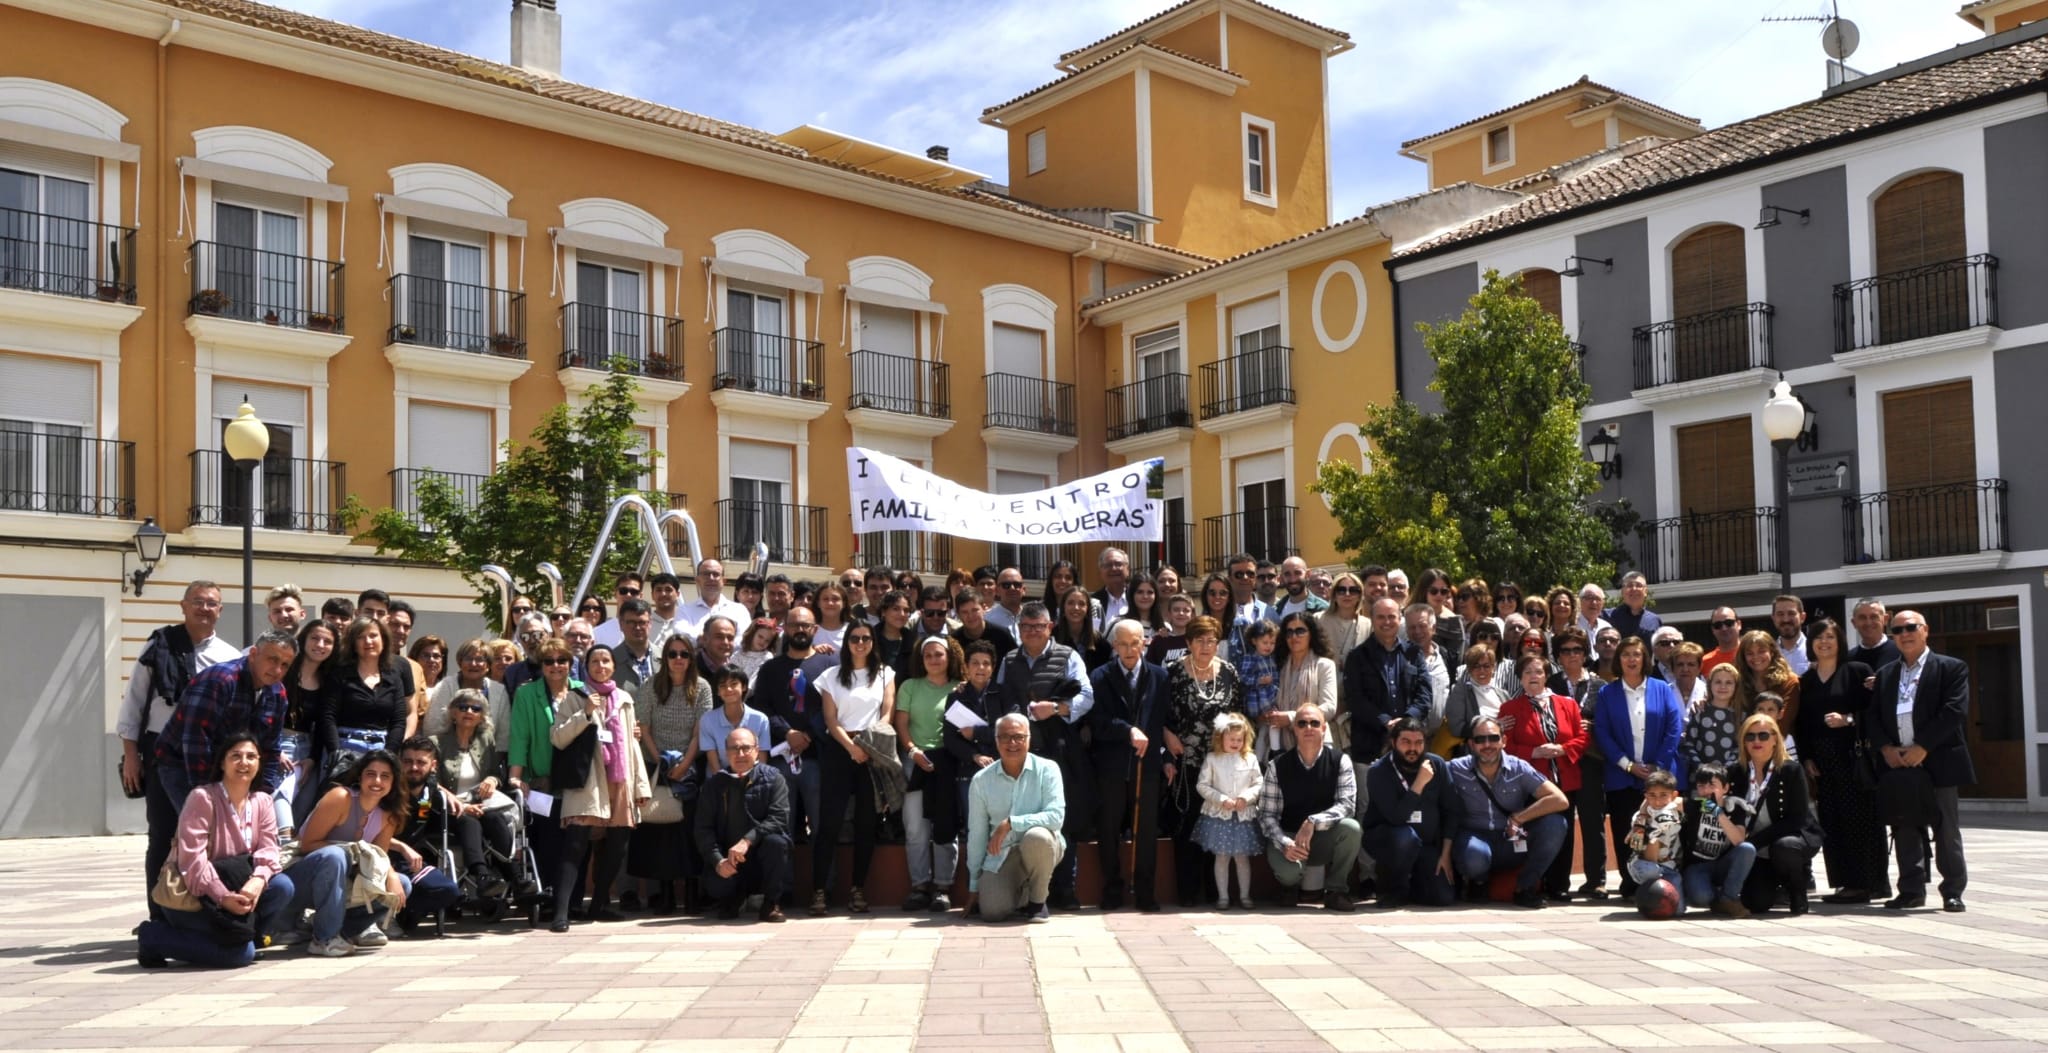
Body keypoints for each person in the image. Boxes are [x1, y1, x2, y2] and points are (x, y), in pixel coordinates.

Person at [122, 580, 241, 913]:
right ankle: (157, 913)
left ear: (220, 610)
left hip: (209, 753)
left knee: (208, 836)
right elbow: (134, 701)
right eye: (198, 602)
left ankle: (201, 912)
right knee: (161, 834)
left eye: (212, 603)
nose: (205, 608)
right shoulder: (159, 646)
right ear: (183, 606)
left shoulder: (229, 657)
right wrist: (132, 755)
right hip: (161, 748)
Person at [137, 733, 296, 969]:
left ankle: (242, 937)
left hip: (239, 890)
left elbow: (269, 849)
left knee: (283, 887)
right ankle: (154, 937)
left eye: (251, 756)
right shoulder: (202, 798)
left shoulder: (262, 800)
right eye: (236, 756)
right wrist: (222, 897)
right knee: (240, 955)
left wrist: (258, 881)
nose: (244, 762)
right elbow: (193, 863)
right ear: (222, 763)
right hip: (194, 897)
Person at [151, 631, 298, 843]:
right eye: (272, 659)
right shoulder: (220, 680)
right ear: (254, 654)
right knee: (204, 834)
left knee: (235, 838)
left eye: (285, 665)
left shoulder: (278, 693)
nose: (277, 670)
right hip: (182, 765)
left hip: (231, 769)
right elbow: (195, 741)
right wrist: (208, 796)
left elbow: (271, 748)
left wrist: (261, 795)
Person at [1870, 609, 1972, 913]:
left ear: (1925, 630)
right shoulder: (1887, 673)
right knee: (1904, 827)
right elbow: (1872, 716)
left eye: (1911, 627)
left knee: (1946, 829)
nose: (1904, 634)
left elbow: (1954, 711)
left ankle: (1952, 890)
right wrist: (1885, 748)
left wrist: (1924, 746)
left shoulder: (1951, 668)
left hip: (1938, 760)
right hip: (1899, 762)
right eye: (1898, 630)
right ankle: (1911, 890)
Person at [995, 600, 1095, 910]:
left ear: (1050, 627)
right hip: (1018, 754)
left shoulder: (1068, 656)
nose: (1032, 632)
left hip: (1059, 752)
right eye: (1026, 627)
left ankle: (1065, 889)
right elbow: (998, 698)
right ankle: (1029, 893)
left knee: (1060, 820)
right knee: (1022, 821)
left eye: (1039, 627)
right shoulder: (1008, 660)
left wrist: (1056, 709)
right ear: (1019, 629)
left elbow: (1087, 697)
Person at [549, 643, 654, 932]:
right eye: (595, 661)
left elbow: (632, 744)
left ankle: (599, 905)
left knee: (617, 846)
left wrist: (641, 786)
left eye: (606, 661)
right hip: (588, 780)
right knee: (575, 845)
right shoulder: (575, 696)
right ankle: (562, 911)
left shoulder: (624, 698)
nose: (601, 666)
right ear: (586, 667)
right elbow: (557, 737)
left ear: (612, 666)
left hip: (620, 779)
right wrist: (584, 713)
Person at [1798, 618, 1888, 905]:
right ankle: (1845, 882)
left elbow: (1875, 712)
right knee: (1832, 822)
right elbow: (1802, 725)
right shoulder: (1807, 680)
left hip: (1854, 757)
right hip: (1823, 762)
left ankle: (1869, 883)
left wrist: (1848, 720)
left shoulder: (1856, 671)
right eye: (1818, 638)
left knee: (1862, 821)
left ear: (1840, 641)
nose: (1824, 642)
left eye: (1830, 637)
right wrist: (1807, 757)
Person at [812, 621, 899, 916]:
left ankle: (858, 889)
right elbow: (830, 718)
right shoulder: (831, 675)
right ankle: (819, 891)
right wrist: (851, 747)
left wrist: (867, 744)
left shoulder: (886, 673)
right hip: (840, 750)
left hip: (872, 749)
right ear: (846, 643)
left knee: (866, 823)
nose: (860, 643)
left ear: (873, 642)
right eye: (854, 638)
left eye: (865, 638)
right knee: (829, 824)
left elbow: (887, 711)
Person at [287, 750, 412, 954]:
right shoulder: (341, 797)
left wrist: (391, 876)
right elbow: (307, 844)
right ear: (360, 776)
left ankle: (343, 932)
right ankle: (323, 939)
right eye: (371, 774)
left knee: (402, 884)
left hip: (343, 878)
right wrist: (352, 853)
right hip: (303, 874)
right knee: (336, 855)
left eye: (385, 776)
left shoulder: (389, 814)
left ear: (394, 782)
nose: (377, 781)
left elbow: (380, 855)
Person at [1088, 619, 1170, 912]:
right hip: (1111, 765)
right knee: (1108, 829)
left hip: (1147, 766)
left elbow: (1165, 722)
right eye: (1122, 643)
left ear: (1144, 643)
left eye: (1134, 642)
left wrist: (1168, 758)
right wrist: (1127, 730)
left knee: (1146, 830)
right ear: (1114, 646)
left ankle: (1145, 891)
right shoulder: (1099, 676)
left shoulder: (1160, 677)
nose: (1128, 649)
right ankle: (1112, 889)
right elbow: (1096, 722)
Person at [1446, 716, 1571, 908]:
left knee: (1556, 824)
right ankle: (1478, 882)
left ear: (1504, 741)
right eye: (1480, 740)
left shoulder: (1519, 768)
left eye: (1494, 738)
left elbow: (1560, 800)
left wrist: (1519, 817)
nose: (1487, 744)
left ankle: (1525, 888)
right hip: (1474, 839)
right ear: (1471, 744)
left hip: (1511, 840)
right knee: (1474, 856)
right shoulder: (1456, 768)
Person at [1594, 636, 1683, 897]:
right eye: (1626, 655)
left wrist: (1658, 768)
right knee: (1627, 831)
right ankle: (1631, 882)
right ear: (1618, 660)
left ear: (1645, 659)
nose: (1631, 659)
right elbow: (1602, 732)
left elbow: (1673, 728)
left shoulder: (1662, 688)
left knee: (1660, 828)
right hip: (1621, 775)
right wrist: (1628, 765)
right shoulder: (1607, 693)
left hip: (1659, 778)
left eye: (1636, 654)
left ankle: (1662, 881)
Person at [1163, 615, 1241, 907]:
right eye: (1200, 640)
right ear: (1188, 642)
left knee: (1216, 826)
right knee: (1187, 826)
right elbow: (1159, 713)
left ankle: (1215, 891)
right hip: (1186, 761)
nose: (1206, 646)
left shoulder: (1229, 672)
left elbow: (1239, 716)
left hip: (1220, 764)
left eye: (1211, 640)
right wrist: (1166, 737)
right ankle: (1187, 892)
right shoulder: (1172, 671)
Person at [630, 634, 711, 914]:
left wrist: (685, 764)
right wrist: (661, 762)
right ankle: (664, 895)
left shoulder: (702, 688)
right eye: (673, 654)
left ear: (691, 658)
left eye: (684, 654)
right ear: (664, 658)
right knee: (660, 830)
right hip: (656, 765)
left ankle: (691, 893)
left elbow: (702, 729)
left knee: (688, 830)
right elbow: (644, 728)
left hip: (690, 764)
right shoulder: (650, 686)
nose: (678, 659)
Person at [1500, 653, 1588, 902]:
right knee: (1542, 832)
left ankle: (1560, 885)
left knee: (1567, 832)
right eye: (1527, 673)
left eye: (1538, 671)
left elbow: (1582, 738)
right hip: (1533, 783)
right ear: (1520, 678)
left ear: (1546, 675)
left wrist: (1562, 749)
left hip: (1565, 778)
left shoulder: (1567, 704)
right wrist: (1533, 752)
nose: (1533, 677)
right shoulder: (1510, 709)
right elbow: (1505, 747)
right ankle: (1536, 882)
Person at [1256, 702, 1360, 912]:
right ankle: (1289, 887)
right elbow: (1267, 815)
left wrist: (1313, 821)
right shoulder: (1277, 766)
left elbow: (1347, 805)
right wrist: (1285, 843)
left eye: (1314, 723)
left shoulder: (1341, 761)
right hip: (1288, 837)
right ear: (1294, 729)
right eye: (1302, 723)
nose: (1308, 728)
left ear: (1324, 728)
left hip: (1322, 838)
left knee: (1351, 829)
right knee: (1289, 873)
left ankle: (1336, 891)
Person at [964, 713, 1067, 922]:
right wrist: (975, 885)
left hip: (1042, 847)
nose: (1012, 743)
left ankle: (1037, 902)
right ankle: (1023, 893)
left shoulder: (1048, 769)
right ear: (996, 741)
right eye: (1005, 737)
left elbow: (1056, 817)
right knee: (992, 913)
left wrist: (1011, 823)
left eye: (1019, 737)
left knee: (1037, 837)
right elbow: (977, 834)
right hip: (1002, 854)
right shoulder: (981, 780)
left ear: (1029, 739)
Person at [431, 690, 527, 899]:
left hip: (482, 803)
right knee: (469, 821)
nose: (469, 711)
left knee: (496, 819)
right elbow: (432, 783)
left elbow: (495, 773)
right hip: (449, 806)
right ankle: (482, 877)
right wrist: (462, 805)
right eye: (463, 707)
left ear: (482, 716)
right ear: (453, 712)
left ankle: (515, 876)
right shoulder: (436, 742)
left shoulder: (486, 739)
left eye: (476, 708)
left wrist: (492, 780)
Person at [507, 637, 579, 906]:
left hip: (576, 782)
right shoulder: (527, 694)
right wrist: (516, 774)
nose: (556, 666)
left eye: (562, 660)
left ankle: (572, 901)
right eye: (549, 661)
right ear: (541, 665)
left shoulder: (582, 691)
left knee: (574, 843)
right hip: (542, 781)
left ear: (571, 664)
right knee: (548, 841)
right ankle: (547, 896)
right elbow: (520, 737)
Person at [894, 635, 963, 912]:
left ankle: (943, 887)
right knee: (915, 828)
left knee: (946, 826)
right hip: (916, 761)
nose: (933, 660)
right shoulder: (910, 686)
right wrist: (912, 751)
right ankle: (920, 885)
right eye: (928, 655)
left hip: (949, 762)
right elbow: (901, 724)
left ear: (949, 656)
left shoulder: (960, 688)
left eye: (939, 654)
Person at [695, 727, 791, 922]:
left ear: (756, 750)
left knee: (777, 843)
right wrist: (717, 860)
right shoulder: (714, 785)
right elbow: (703, 829)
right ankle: (733, 898)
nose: (740, 754)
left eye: (746, 748)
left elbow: (779, 817)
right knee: (717, 885)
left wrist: (748, 840)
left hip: (760, 856)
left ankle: (771, 903)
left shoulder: (773, 778)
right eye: (734, 749)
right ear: (725, 752)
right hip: (729, 858)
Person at [1730, 713, 1822, 916]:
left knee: (1785, 847)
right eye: (1750, 736)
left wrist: (1755, 842)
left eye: (1763, 736)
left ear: (1775, 739)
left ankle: (1797, 890)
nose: (1756, 741)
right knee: (1756, 903)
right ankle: (1773, 885)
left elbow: (1796, 819)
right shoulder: (1736, 771)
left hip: (1790, 838)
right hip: (1755, 847)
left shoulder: (1791, 770)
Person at [1361, 718, 1457, 908]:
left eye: (1418, 743)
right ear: (1393, 742)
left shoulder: (1437, 765)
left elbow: (1452, 811)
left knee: (1442, 898)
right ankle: (1393, 887)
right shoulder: (1379, 771)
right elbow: (1396, 817)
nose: (1413, 749)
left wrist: (1445, 854)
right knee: (1405, 837)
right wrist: (1419, 784)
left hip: (1425, 845)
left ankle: (1413, 887)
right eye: (1406, 742)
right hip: (1389, 840)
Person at [753, 607, 828, 846]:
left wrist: (806, 735)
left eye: (805, 625)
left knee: (821, 828)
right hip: (780, 759)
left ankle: (824, 884)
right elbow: (762, 706)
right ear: (785, 629)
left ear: (815, 629)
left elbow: (834, 708)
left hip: (818, 758)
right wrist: (788, 733)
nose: (800, 630)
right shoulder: (770, 668)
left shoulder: (830, 665)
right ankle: (782, 885)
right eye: (794, 625)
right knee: (781, 830)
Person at [388, 736, 480, 928]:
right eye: (408, 762)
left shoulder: (430, 787)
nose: (414, 767)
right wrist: (402, 848)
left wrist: (454, 799)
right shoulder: (388, 790)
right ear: (399, 762)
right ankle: (392, 915)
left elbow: (434, 785)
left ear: (433, 765)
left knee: (449, 891)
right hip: (381, 858)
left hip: (410, 862)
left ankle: (407, 913)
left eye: (421, 762)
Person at [316, 616, 414, 786]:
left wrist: (388, 756)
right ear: (353, 643)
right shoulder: (340, 673)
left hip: (380, 749)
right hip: (344, 746)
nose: (368, 641)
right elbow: (327, 716)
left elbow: (399, 721)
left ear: (383, 639)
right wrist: (336, 752)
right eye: (360, 637)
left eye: (373, 636)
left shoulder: (393, 676)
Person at [1342, 597, 1431, 764]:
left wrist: (1406, 721)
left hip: (1412, 743)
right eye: (1381, 617)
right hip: (1370, 743)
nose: (1387, 622)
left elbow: (1424, 695)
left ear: (1400, 619)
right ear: (1372, 619)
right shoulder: (1357, 656)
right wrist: (1385, 721)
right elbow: (1355, 699)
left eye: (1392, 616)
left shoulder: (1414, 653)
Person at [1194, 712, 1264, 910]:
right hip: (1220, 816)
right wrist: (1221, 799)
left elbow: (1259, 783)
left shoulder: (1250, 759)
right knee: (1222, 857)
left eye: (1239, 739)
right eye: (1231, 739)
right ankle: (1223, 897)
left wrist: (1246, 798)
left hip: (1242, 817)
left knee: (1242, 858)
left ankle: (1245, 896)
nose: (1235, 743)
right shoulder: (1212, 759)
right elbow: (1202, 785)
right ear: (1220, 738)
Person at [278, 620, 335, 836]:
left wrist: (312, 758)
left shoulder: (328, 680)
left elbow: (323, 723)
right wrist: (274, 750)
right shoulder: (285, 670)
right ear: (304, 640)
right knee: (279, 801)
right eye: (315, 638)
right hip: (280, 745)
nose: (320, 644)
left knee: (301, 813)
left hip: (308, 750)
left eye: (327, 641)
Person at [1678, 762, 1754, 916]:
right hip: (1697, 866)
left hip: (1722, 864)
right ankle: (1714, 896)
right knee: (1701, 898)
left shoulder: (1734, 808)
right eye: (1701, 786)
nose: (1706, 791)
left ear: (1725, 788)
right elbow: (1671, 800)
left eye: (1712, 785)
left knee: (1747, 849)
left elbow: (1739, 840)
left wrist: (1719, 813)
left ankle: (1728, 899)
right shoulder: (1694, 805)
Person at [1267, 612, 1338, 759]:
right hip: (1280, 747)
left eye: (1300, 631)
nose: (1294, 637)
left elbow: (1329, 708)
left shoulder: (1324, 665)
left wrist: (1292, 717)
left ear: (1311, 634)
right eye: (1289, 632)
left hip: (1317, 746)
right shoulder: (1276, 666)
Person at [424, 639, 512, 739]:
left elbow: (504, 736)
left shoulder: (499, 691)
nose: (473, 664)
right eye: (468, 659)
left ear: (488, 666)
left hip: (488, 753)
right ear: (460, 663)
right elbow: (432, 729)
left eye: (479, 659)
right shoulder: (445, 686)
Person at [1621, 769, 1685, 906]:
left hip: (1670, 866)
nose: (1657, 800)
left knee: (1678, 909)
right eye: (1652, 795)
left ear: (1673, 795)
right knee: (1652, 864)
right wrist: (1642, 826)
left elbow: (1699, 802)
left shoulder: (1678, 809)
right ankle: (1646, 895)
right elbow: (1636, 845)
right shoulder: (1639, 817)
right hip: (1644, 865)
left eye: (1663, 795)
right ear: (1646, 796)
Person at [1681, 662, 1744, 783]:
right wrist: (1700, 767)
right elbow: (1689, 743)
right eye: (1718, 682)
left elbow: (1740, 748)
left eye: (1729, 683)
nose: (1723, 686)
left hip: (1727, 778)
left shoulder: (1740, 716)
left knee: (1723, 802)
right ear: (1709, 684)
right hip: (1699, 778)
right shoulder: (1699, 710)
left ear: (1736, 686)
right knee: (1703, 802)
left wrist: (1724, 770)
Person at [698, 668, 771, 774]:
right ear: (718, 691)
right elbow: (714, 766)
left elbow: (762, 761)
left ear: (744, 687)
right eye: (722, 686)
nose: (728, 689)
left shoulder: (760, 719)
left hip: (753, 780)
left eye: (734, 684)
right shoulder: (707, 720)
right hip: (719, 781)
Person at [1441, 643, 1506, 752]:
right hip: (1474, 752)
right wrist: (1496, 724)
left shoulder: (1503, 694)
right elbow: (1457, 728)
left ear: (1493, 667)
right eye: (1476, 666)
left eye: (1486, 666)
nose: (1482, 671)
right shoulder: (1461, 691)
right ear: (1469, 669)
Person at [1736, 629, 1802, 731]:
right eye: (1750, 653)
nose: (1756, 657)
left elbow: (1783, 724)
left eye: (1761, 651)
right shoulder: (1737, 683)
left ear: (1772, 652)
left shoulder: (1789, 681)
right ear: (1743, 657)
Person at [675, 559, 752, 642]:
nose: (711, 578)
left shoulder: (739, 611)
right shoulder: (684, 611)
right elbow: (681, 636)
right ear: (697, 580)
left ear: (723, 581)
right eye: (706, 574)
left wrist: (703, 640)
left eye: (716, 574)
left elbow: (744, 640)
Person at [1236, 619, 1280, 739]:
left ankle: (1275, 752)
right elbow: (1242, 677)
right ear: (1254, 641)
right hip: (1257, 701)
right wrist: (1258, 681)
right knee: (1260, 733)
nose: (1269, 646)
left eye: (1272, 643)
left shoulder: (1273, 658)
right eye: (1265, 642)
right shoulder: (1250, 658)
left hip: (1272, 699)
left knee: (1273, 728)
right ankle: (1259, 757)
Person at [1053, 584, 1112, 671]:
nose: (1076, 608)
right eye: (1070, 603)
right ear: (1063, 608)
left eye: (1081, 604)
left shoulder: (1100, 643)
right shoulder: (1052, 638)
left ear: (1087, 609)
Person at [1314, 572, 1367, 663]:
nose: (1347, 594)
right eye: (1341, 590)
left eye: (1353, 590)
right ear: (1334, 595)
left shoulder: (1368, 625)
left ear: (1359, 596)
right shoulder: (1318, 620)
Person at [1604, 572, 1662, 643]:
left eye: (1639, 585)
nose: (1634, 589)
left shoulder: (1654, 620)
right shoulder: (1606, 616)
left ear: (1646, 592)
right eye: (1629, 585)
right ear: (1622, 591)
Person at [1847, 597, 1901, 670]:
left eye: (1874, 617)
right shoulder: (1848, 659)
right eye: (1862, 618)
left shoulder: (1901, 652)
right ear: (1854, 623)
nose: (1868, 623)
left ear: (1885, 619)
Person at [1147, 592, 1196, 666]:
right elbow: (1150, 669)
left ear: (1192, 615)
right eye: (1176, 610)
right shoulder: (1159, 641)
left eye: (1186, 610)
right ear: (1169, 614)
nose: (1181, 613)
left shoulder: (1197, 640)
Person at [1092, 546, 1133, 632]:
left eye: (1118, 564)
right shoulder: (1093, 602)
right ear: (1101, 572)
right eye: (1108, 565)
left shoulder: (1137, 597)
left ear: (1128, 569)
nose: (1113, 568)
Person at [1771, 594, 1810, 676]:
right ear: (1773, 618)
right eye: (1780, 614)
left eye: (1791, 613)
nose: (1786, 619)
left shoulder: (1815, 651)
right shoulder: (1768, 654)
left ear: (1802, 617)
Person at [1701, 607, 1743, 675]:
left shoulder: (1753, 655)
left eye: (1729, 623)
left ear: (1739, 624)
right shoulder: (1704, 662)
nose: (1724, 628)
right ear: (1713, 630)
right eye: (1718, 625)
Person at [812, 582, 852, 652]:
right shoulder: (809, 630)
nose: (830, 603)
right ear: (818, 603)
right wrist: (813, 651)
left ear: (844, 603)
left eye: (835, 599)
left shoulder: (852, 630)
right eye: (825, 599)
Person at [987, 566, 1027, 634]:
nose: (1012, 588)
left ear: (1024, 590)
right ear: (997, 591)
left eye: (1017, 584)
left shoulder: (1033, 618)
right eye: (1006, 585)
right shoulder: (987, 620)